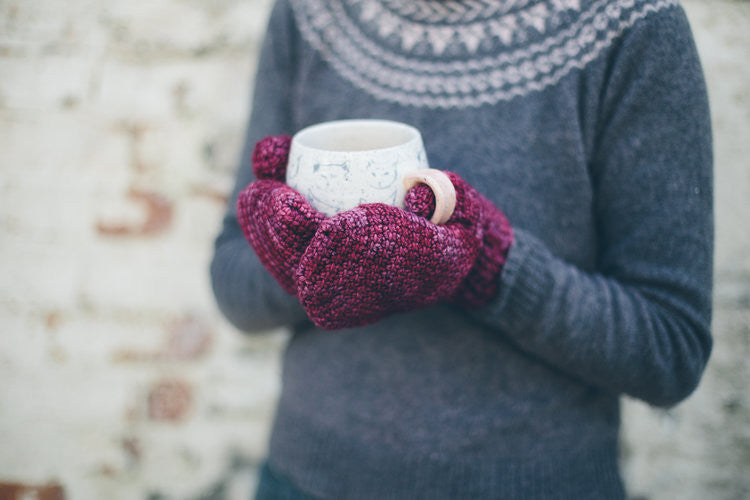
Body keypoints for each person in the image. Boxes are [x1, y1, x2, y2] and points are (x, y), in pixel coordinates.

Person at [210, 0, 714, 497]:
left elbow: (669, 349)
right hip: (306, 479)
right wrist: (303, 256)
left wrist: (486, 265)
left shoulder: (629, 24)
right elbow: (232, 282)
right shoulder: (310, 14)